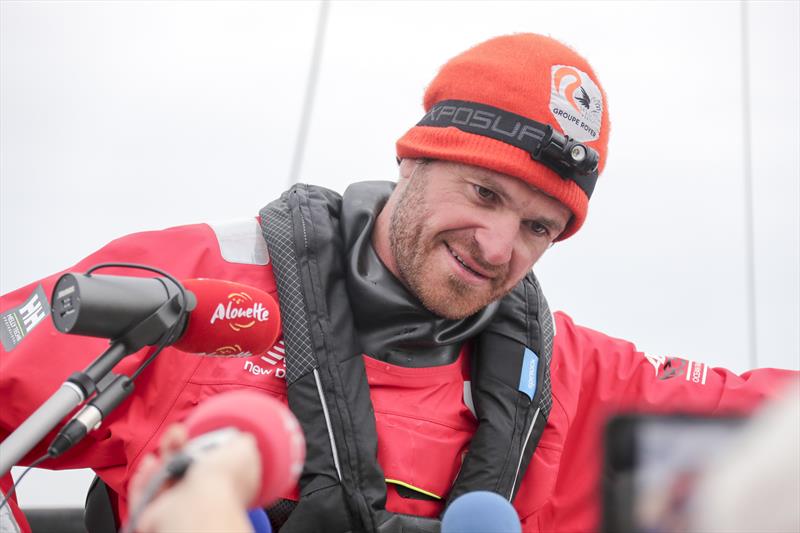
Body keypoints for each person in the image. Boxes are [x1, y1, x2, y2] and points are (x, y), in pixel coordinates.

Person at [0, 33, 796, 533]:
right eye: (483, 194)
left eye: (538, 228)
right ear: (412, 157)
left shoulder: (577, 386)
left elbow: (770, 421)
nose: (496, 246)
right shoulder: (188, 291)